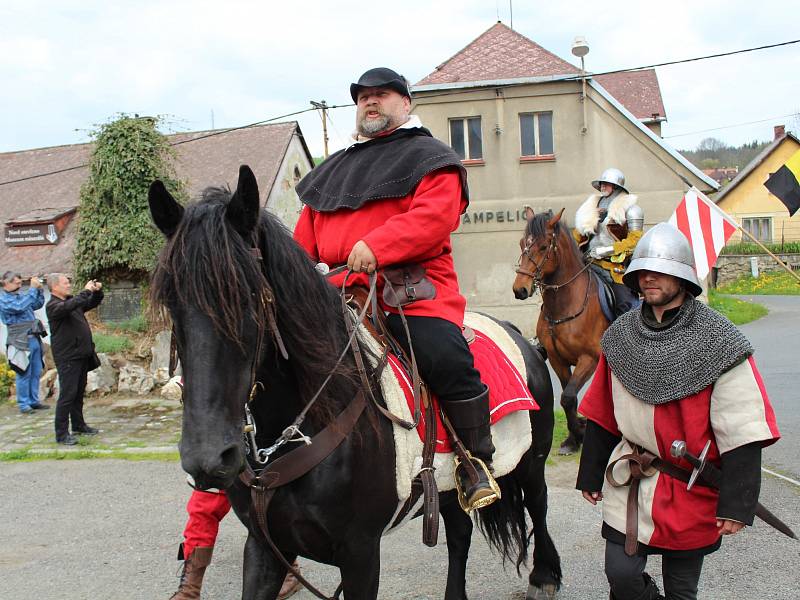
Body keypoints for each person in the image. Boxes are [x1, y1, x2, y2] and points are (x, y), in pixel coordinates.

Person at [293, 67, 497, 511]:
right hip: (334, 294)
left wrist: (378, 245)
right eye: (363, 96)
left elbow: (433, 219)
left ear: (405, 104)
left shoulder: (431, 157)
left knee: (443, 355)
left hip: (408, 291)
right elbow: (301, 244)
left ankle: (474, 459)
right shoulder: (332, 171)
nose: (371, 101)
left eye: (381, 94)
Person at [576, 223, 781, 600]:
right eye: (642, 272)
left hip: (689, 488)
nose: (649, 278)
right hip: (632, 480)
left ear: (683, 278)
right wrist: (590, 474)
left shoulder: (718, 339)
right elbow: (602, 413)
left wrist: (737, 503)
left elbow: (743, 427)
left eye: (660, 271)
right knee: (621, 577)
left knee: (682, 590)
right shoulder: (621, 336)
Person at [573, 167, 643, 317]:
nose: (602, 186)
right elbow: (577, 236)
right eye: (601, 184)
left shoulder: (631, 210)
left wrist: (603, 251)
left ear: (617, 187)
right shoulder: (592, 206)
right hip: (587, 262)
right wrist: (589, 218)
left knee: (625, 305)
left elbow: (634, 241)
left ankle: (628, 336)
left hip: (613, 267)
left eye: (607, 183)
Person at [45, 274, 103, 445]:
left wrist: (98, 292)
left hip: (81, 355)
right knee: (67, 395)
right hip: (68, 357)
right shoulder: (53, 306)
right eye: (65, 283)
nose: (69, 285)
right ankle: (61, 434)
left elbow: (89, 303)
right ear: (55, 287)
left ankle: (78, 425)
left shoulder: (72, 303)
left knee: (78, 393)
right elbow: (70, 305)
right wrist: (85, 291)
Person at [0, 271, 49, 414]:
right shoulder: (3, 300)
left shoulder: (23, 296)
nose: (20, 285)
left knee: (36, 370)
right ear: (6, 283)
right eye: (17, 283)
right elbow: (19, 307)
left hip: (33, 336)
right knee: (23, 371)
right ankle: (24, 404)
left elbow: (37, 304)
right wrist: (32, 289)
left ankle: (34, 401)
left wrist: (39, 290)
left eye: (21, 283)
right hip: (18, 340)